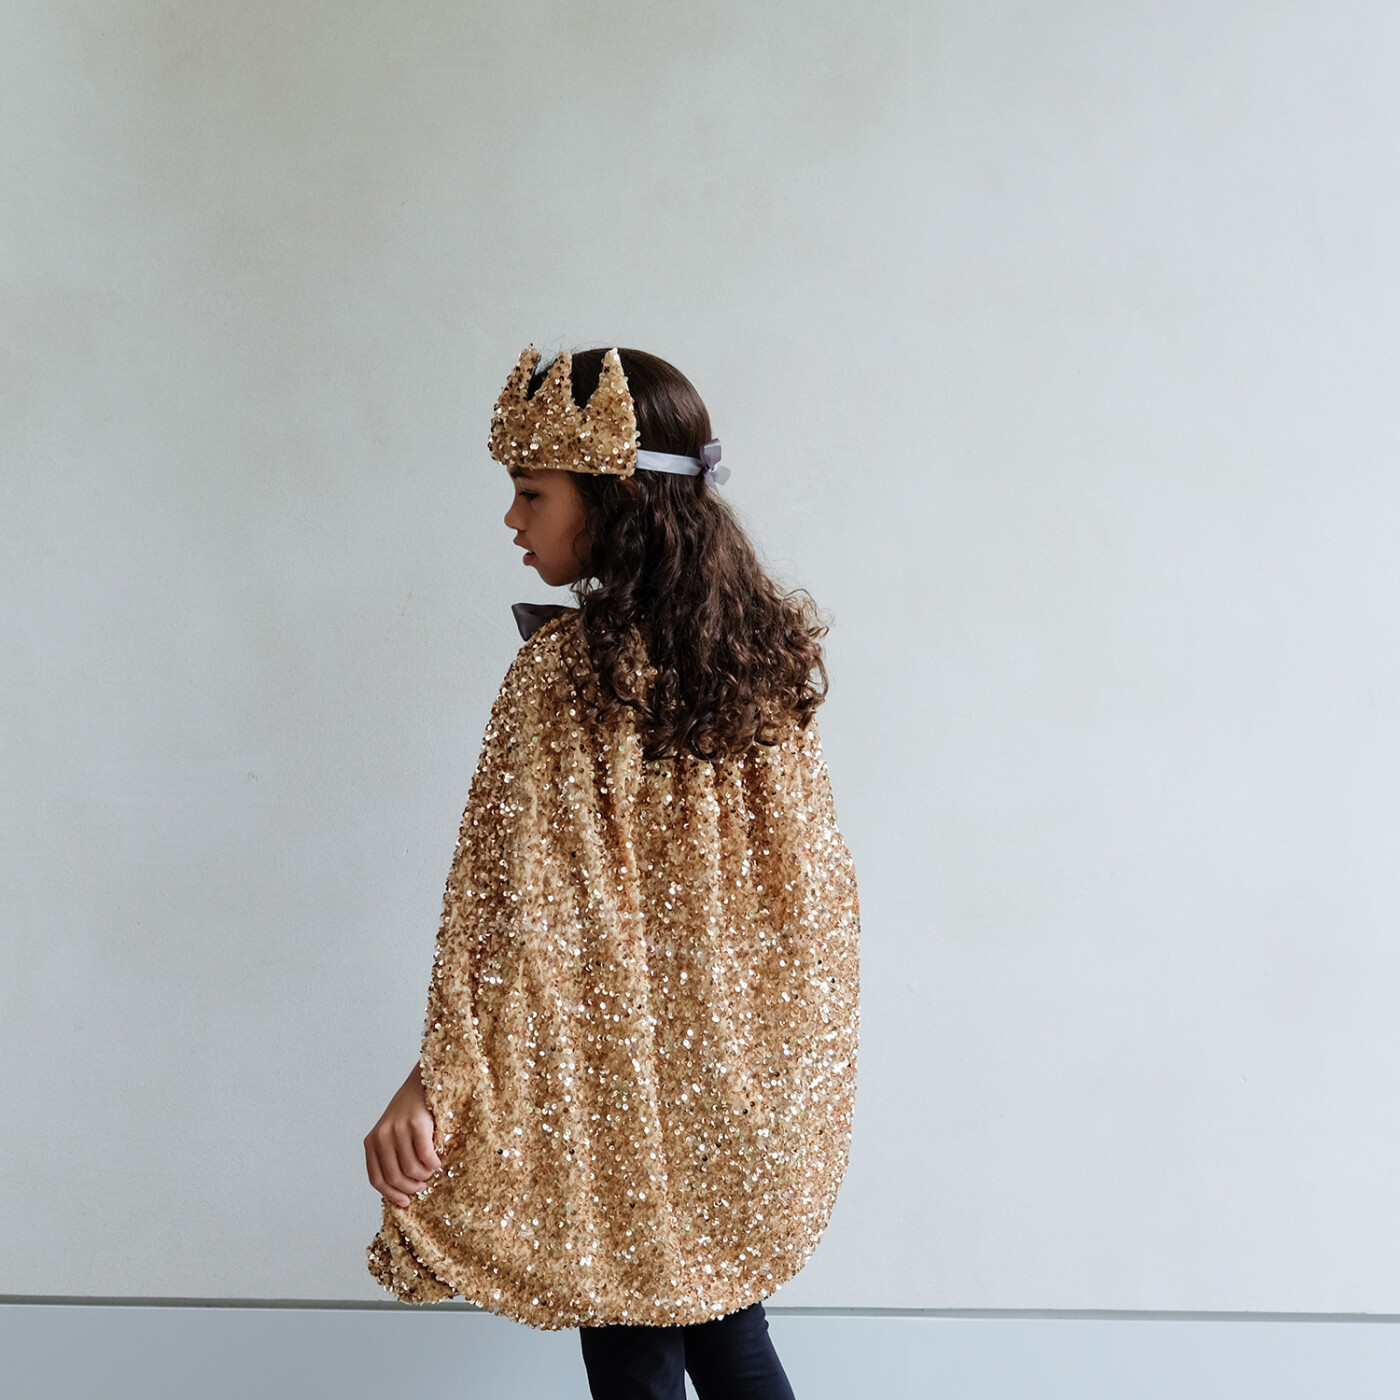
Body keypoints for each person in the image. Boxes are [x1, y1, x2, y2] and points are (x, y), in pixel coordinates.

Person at [364, 346, 861, 1400]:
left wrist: (437, 1076)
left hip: (609, 1069)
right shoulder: (757, 658)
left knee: (635, 1338)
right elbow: (817, 894)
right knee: (724, 1320)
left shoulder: (565, 672)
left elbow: (514, 901)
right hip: (732, 1063)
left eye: (531, 492)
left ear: (614, 499)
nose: (512, 519)